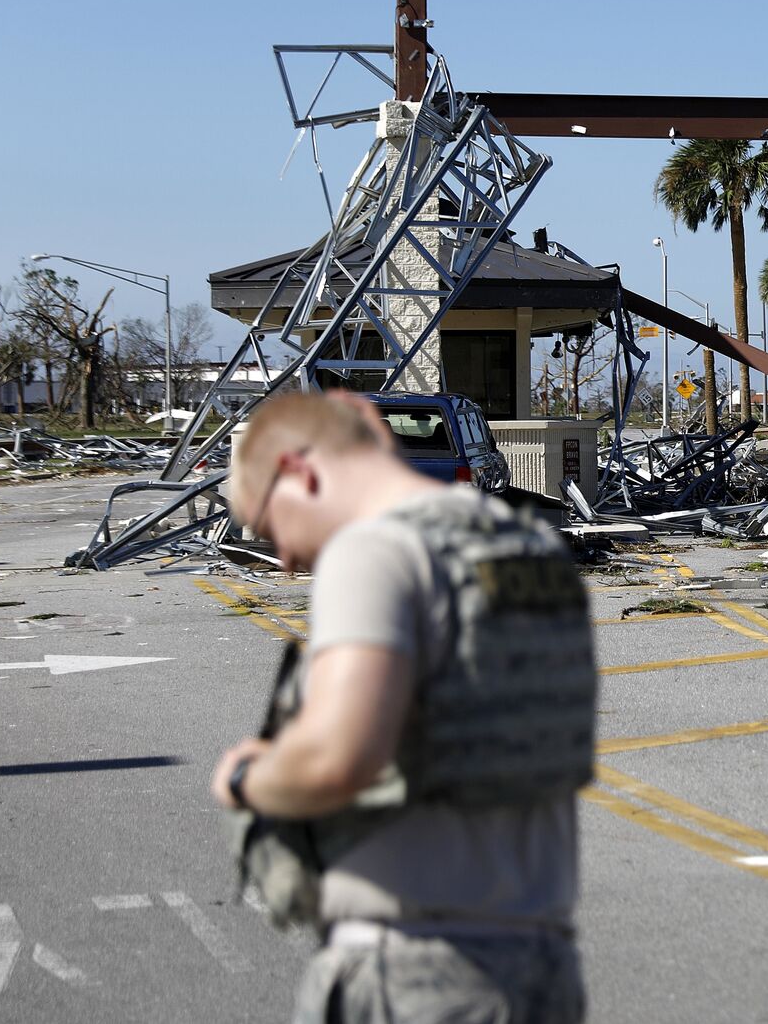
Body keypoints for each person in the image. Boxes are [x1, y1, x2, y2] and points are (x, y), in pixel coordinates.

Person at [210, 390, 595, 1022]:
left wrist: (246, 777)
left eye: (269, 526)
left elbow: (337, 760)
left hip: (414, 973)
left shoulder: (375, 552)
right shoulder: (531, 547)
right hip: (541, 965)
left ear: (298, 471)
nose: (283, 560)